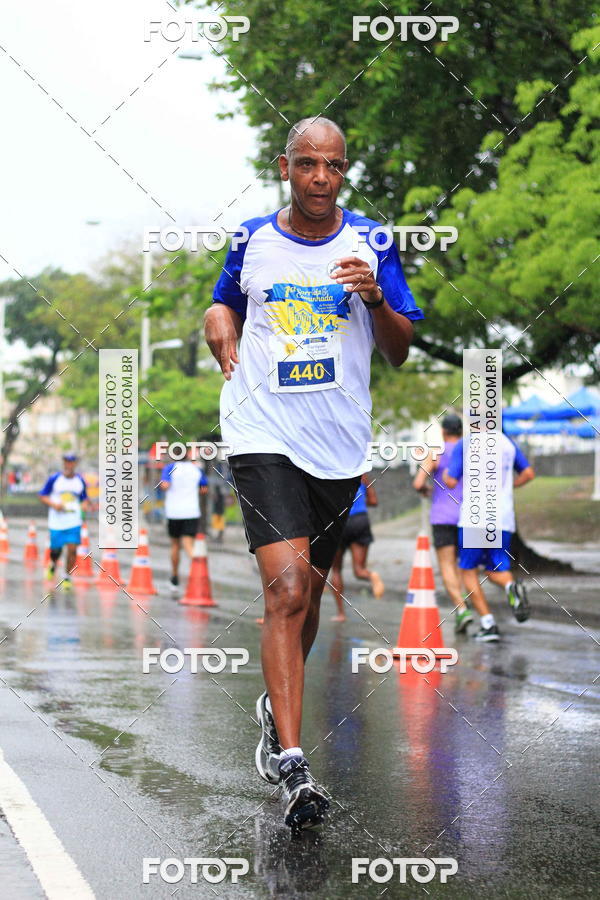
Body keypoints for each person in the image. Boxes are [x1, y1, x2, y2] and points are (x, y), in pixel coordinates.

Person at [204, 116, 423, 829]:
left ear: (344, 170)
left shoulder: (372, 242)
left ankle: (278, 706)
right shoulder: (251, 239)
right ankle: (294, 764)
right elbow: (224, 298)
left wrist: (375, 299)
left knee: (309, 603)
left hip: (337, 446)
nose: (320, 179)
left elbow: (400, 351)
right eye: (307, 165)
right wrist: (215, 313)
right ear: (285, 166)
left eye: (332, 166)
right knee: (288, 587)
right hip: (261, 432)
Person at [443, 430, 535, 641]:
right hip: (502, 519)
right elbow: (528, 473)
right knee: (495, 569)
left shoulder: (467, 443)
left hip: (474, 519)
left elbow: (450, 481)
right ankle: (511, 586)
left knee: (468, 570)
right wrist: (507, 488)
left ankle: (488, 624)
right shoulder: (507, 443)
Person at [412, 413, 474, 633]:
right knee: (464, 566)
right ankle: (470, 609)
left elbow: (418, 482)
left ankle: (462, 609)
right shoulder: (470, 453)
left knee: (447, 565)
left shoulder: (436, 453)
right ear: (461, 432)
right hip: (469, 515)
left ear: (443, 432)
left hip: (442, 516)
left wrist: (427, 490)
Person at [329, 475, 384, 621]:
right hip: (360, 519)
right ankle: (371, 575)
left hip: (339, 521)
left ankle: (341, 613)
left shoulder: (330, 472)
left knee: (336, 570)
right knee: (359, 570)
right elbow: (373, 501)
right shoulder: (362, 475)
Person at [160, 447, 209, 594]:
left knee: (175, 544)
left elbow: (165, 485)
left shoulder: (169, 468)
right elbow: (204, 489)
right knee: (189, 543)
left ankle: (175, 577)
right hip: (192, 511)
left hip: (174, 512)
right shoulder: (196, 470)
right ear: (187, 455)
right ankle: (198, 574)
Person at [39, 452, 90, 589]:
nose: (68, 464)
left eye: (71, 461)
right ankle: (53, 564)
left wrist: (85, 505)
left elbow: (84, 498)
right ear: (63, 463)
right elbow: (42, 496)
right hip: (56, 522)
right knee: (56, 550)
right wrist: (54, 505)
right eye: (66, 461)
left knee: (72, 549)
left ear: (75, 464)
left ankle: (67, 577)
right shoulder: (54, 479)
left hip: (73, 521)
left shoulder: (80, 480)